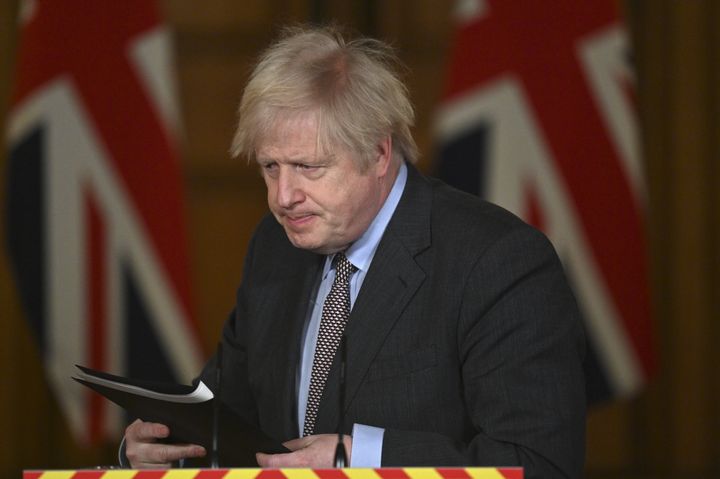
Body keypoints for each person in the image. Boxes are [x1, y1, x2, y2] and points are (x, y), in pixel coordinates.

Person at [123, 25, 586, 478]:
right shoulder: (275, 245)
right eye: (270, 167)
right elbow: (226, 415)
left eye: (308, 167)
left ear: (379, 153)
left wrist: (360, 457)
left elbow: (539, 463)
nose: (283, 196)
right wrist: (159, 445)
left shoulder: (497, 261)